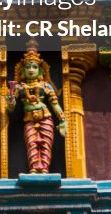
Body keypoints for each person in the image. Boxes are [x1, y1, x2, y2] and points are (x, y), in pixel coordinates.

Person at [6, 42, 66, 174]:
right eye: (28, 67)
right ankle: (34, 169)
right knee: (32, 143)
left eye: (34, 67)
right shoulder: (18, 88)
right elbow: (10, 110)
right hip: (29, 119)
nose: (31, 69)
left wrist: (62, 120)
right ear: (22, 71)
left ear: (40, 71)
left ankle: (44, 169)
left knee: (45, 143)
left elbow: (55, 104)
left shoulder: (46, 86)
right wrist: (10, 103)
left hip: (46, 117)